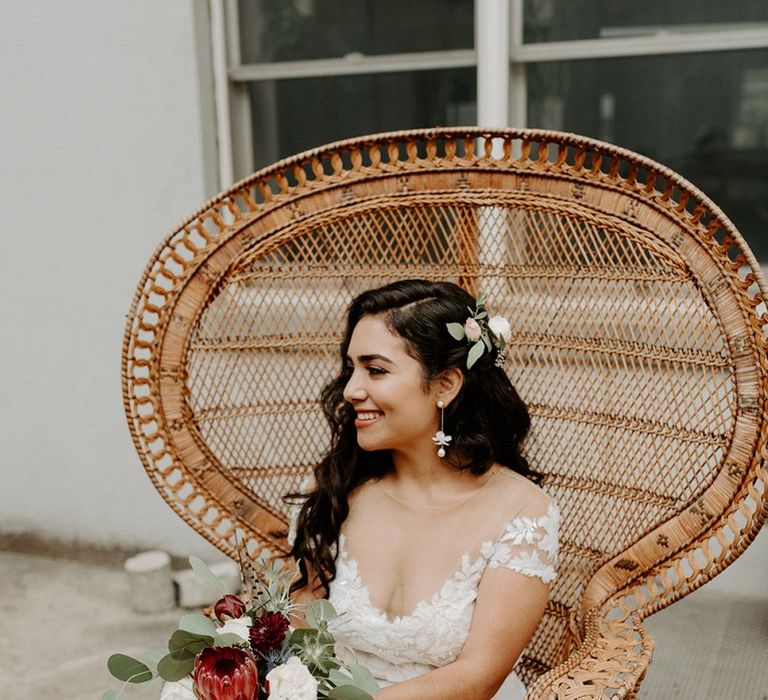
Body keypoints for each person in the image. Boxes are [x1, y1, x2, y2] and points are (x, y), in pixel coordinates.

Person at [289, 279, 559, 700]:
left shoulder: (521, 511)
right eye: (351, 368)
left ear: (445, 385)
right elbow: (297, 625)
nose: (350, 390)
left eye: (375, 370)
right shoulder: (336, 488)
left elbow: (479, 675)